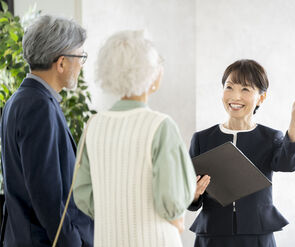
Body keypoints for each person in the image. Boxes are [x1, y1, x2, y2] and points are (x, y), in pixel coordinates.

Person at [73, 30, 197, 247]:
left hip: (108, 239)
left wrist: (114, 213)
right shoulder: (160, 126)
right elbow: (172, 200)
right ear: (150, 72)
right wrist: (176, 216)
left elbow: (83, 194)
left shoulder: (92, 126)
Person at [188, 59, 295, 247]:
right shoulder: (202, 138)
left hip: (257, 235)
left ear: (261, 97)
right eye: (229, 87)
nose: (235, 96)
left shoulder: (270, 137)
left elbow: (288, 164)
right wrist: (194, 194)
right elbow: (191, 200)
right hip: (212, 235)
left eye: (245, 90)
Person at [0, 15, 93, 247]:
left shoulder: (19, 100)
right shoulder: (38, 106)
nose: (81, 64)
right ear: (61, 63)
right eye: (80, 56)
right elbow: (47, 194)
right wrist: (73, 242)